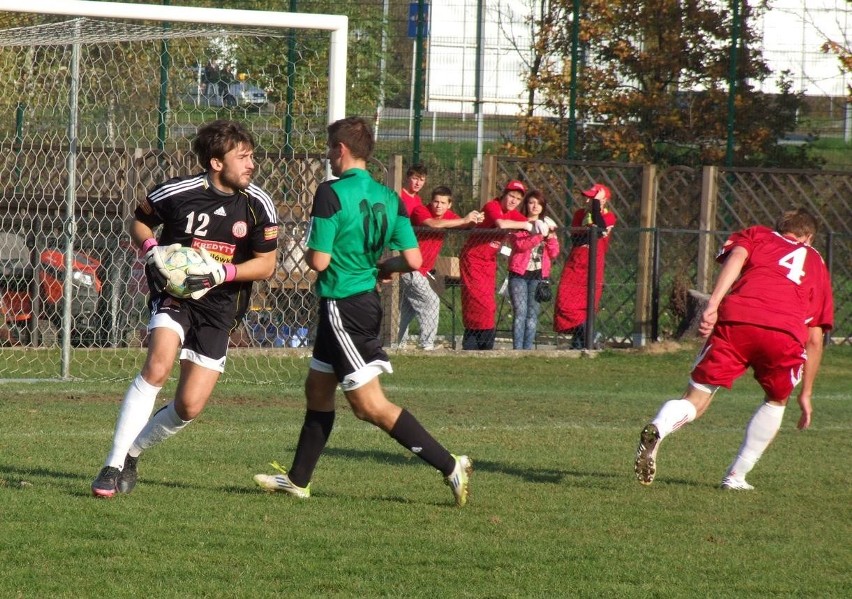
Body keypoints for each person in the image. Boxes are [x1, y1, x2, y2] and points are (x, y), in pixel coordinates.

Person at [253, 117, 473, 507]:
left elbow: (319, 262)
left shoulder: (330, 193)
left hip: (343, 305)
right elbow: (414, 258)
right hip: (360, 302)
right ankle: (297, 479)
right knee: (317, 389)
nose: (328, 156)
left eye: (329, 149)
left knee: (369, 405)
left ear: (340, 149)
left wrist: (309, 250)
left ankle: (448, 463)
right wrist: (382, 268)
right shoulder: (390, 198)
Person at [91, 119, 278, 497]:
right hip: (175, 296)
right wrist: (151, 251)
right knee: (158, 364)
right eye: (242, 157)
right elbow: (141, 223)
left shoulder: (258, 204)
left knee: (190, 405)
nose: (251, 164)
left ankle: (132, 453)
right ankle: (110, 466)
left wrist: (220, 273)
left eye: (252, 156)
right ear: (215, 162)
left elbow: (266, 264)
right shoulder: (176, 193)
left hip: (221, 306)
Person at [634, 208, 834, 490]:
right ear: (809, 237)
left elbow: (737, 257)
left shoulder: (758, 234)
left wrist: (713, 304)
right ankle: (736, 476)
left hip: (738, 319)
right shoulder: (817, 262)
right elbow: (814, 337)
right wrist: (807, 393)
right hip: (785, 333)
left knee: (696, 398)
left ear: (779, 228)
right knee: (776, 402)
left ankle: (660, 427)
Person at [459, 180, 545, 350]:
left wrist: (541, 224)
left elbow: (528, 223)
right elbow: (502, 224)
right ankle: (476, 342)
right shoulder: (493, 206)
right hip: (473, 258)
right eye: (511, 196)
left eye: (518, 199)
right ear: (504, 195)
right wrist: (529, 225)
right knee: (478, 302)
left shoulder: (513, 213)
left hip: (489, 262)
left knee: (488, 303)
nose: (513, 201)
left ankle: (482, 343)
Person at [397, 186, 483, 350]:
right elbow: (432, 224)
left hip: (423, 271)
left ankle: (395, 343)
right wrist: (464, 220)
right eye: (436, 201)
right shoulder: (420, 211)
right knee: (432, 302)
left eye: (443, 203)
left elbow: (464, 225)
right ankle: (427, 345)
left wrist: (475, 219)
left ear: (449, 204)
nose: (438, 205)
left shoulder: (450, 216)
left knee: (406, 311)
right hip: (409, 268)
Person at [554, 182, 617, 349]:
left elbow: (601, 230)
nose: (588, 201)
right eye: (588, 198)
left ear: (604, 201)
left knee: (586, 307)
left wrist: (596, 208)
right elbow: (576, 238)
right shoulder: (579, 214)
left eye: (593, 198)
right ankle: (589, 338)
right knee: (564, 302)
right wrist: (589, 226)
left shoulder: (609, 217)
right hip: (575, 264)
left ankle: (582, 344)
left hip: (593, 266)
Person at [507, 189, 560, 350]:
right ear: (526, 205)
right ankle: (517, 349)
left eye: (538, 203)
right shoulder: (519, 223)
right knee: (520, 313)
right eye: (531, 202)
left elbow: (554, 253)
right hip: (519, 274)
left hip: (538, 275)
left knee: (532, 315)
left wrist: (550, 238)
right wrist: (539, 235)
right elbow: (520, 246)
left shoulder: (547, 226)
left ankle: (528, 349)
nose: (535, 206)